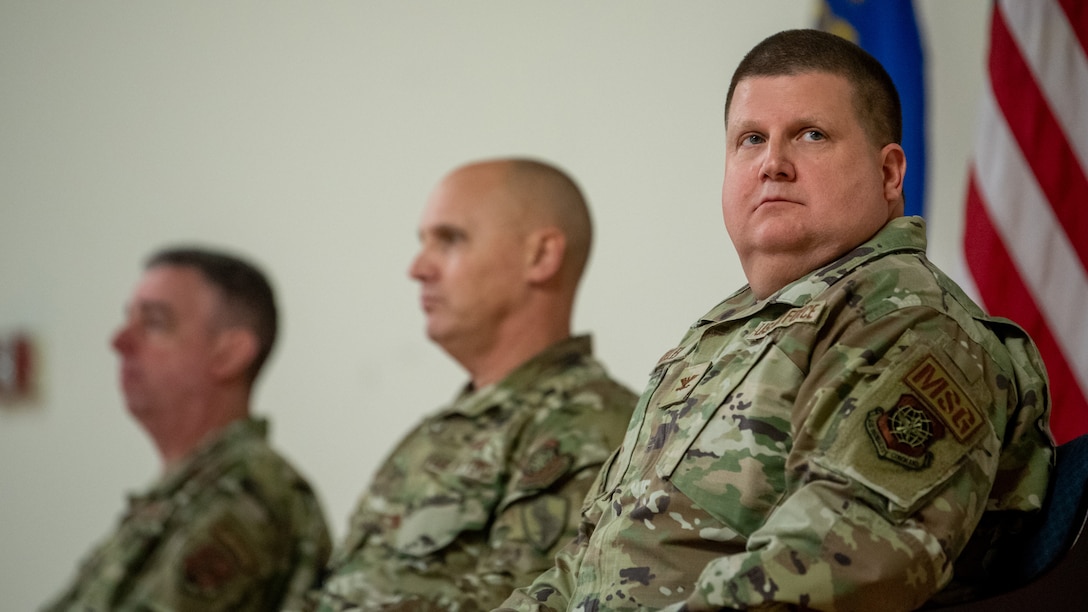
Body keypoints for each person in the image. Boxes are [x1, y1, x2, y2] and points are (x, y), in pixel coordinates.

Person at [496, 29, 1054, 612]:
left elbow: (842, 565)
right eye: (751, 139)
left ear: (890, 175)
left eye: (811, 135)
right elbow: (587, 560)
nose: (773, 164)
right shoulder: (720, 335)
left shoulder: (908, 322)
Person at [299, 158, 638, 611]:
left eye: (450, 239)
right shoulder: (437, 432)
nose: (418, 268)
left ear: (540, 257)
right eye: (422, 242)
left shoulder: (588, 424)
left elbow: (519, 601)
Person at [45, 247, 332, 611]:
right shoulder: (185, 491)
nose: (119, 342)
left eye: (153, 322)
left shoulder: (245, 494)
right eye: (128, 319)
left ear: (229, 353)